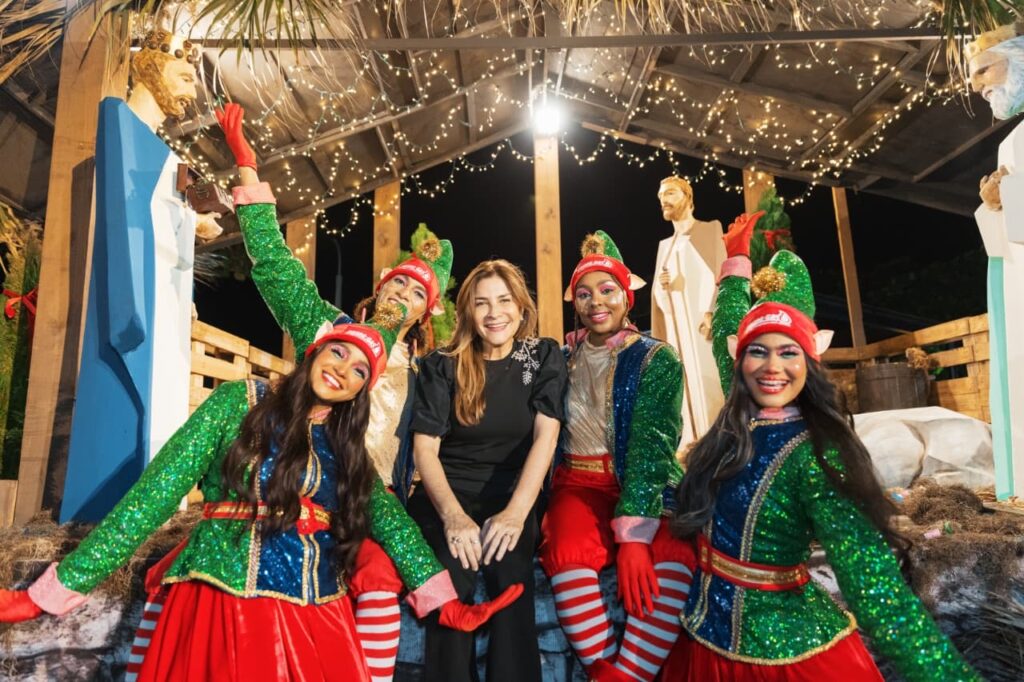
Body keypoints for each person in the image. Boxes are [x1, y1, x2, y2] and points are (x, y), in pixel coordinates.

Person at [0, 306, 521, 681]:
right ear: (316, 351)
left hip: (314, 608)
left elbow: (392, 525)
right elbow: (154, 494)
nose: (343, 369)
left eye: (360, 369)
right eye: (338, 352)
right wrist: (52, 591)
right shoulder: (237, 402)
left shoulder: (345, 447)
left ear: (364, 389)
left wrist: (445, 603)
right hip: (218, 595)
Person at [663, 212, 979, 680]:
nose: (773, 366)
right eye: (758, 350)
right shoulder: (732, 430)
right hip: (704, 642)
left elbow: (877, 593)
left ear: (810, 361)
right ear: (739, 358)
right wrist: (734, 262)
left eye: (789, 351)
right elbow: (730, 321)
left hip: (783, 658)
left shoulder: (818, 454)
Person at [217, 103, 454, 681]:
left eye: (416, 292)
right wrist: (249, 172)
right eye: (397, 281)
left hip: (373, 504)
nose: (403, 292)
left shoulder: (427, 373)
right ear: (379, 290)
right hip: (300, 489)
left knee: (378, 579)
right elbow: (274, 267)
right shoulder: (329, 333)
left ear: (427, 313)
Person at [60, 30, 222, 523]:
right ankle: (109, 518)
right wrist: (129, 309)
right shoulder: (119, 121)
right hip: (135, 308)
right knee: (129, 414)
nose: (192, 90)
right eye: (186, 73)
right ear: (149, 61)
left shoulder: (162, 151)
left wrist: (194, 224)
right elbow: (122, 217)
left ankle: (152, 515)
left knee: (164, 414)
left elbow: (154, 215)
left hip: (163, 304)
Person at [538, 231, 695, 682]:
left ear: (626, 296)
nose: (595, 302)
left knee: (671, 551)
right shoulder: (560, 359)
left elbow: (651, 445)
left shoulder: (655, 359)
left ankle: (625, 674)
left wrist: (634, 537)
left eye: (607, 291)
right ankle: (609, 669)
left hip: (644, 483)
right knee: (566, 547)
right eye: (584, 294)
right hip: (577, 483)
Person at [406, 259, 566, 682]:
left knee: (511, 574)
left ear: (521, 306)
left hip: (511, 493)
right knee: (449, 574)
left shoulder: (543, 356)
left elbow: (545, 438)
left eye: (503, 300)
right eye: (482, 304)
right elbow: (425, 449)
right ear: (468, 313)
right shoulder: (443, 364)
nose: (494, 313)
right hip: (447, 493)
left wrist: (516, 514)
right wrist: (454, 517)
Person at [969, 24, 1024, 499]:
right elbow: (1007, 240)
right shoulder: (1011, 142)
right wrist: (993, 200)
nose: (976, 84)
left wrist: (1006, 193)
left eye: (984, 67)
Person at [651, 176, 726, 454]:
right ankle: (689, 448)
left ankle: (718, 445)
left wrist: (712, 312)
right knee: (684, 393)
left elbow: (722, 274)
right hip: (677, 333)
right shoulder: (664, 246)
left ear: (687, 196)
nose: (664, 200)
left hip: (704, 332)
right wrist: (665, 288)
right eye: (660, 196)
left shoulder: (710, 230)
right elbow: (660, 302)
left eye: (670, 193)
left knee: (711, 388)